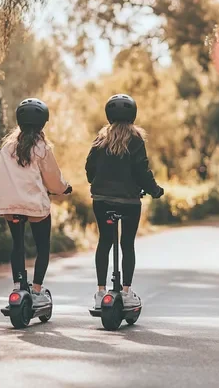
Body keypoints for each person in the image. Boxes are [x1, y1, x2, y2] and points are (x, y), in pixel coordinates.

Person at [0, 98, 71, 307]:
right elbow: (53, 179)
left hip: (9, 207)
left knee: (17, 245)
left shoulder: (6, 149)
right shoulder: (42, 148)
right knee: (42, 246)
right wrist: (64, 189)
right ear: (42, 123)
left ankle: (19, 287)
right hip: (35, 207)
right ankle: (36, 291)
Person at [86, 94, 164, 309]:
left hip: (101, 200)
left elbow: (89, 167)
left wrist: (96, 182)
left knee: (104, 242)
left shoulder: (100, 139)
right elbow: (142, 171)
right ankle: (127, 293)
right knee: (126, 244)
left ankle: (101, 292)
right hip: (128, 201)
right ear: (133, 114)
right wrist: (155, 190)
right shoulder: (136, 139)